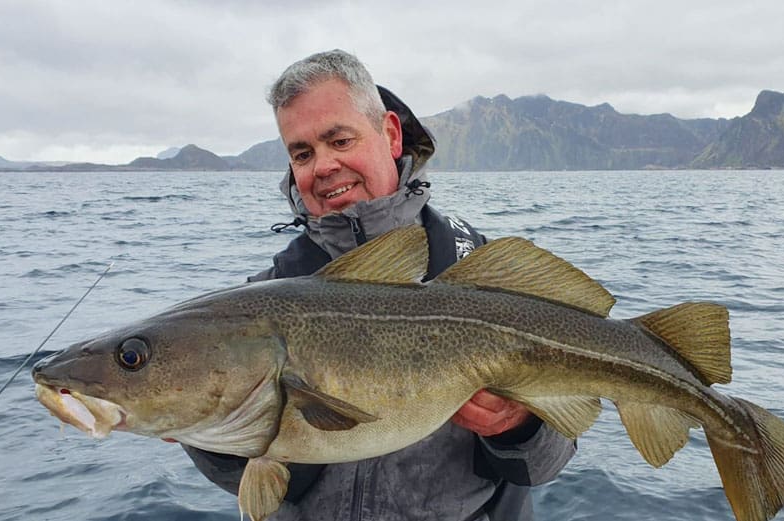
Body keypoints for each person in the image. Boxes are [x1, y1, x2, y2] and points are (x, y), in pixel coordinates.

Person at [182, 49, 576, 521]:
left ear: (389, 134)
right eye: (302, 153)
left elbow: (547, 461)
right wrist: (201, 427)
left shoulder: (481, 274)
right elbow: (252, 480)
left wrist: (519, 424)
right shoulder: (260, 301)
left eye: (340, 140)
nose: (322, 166)